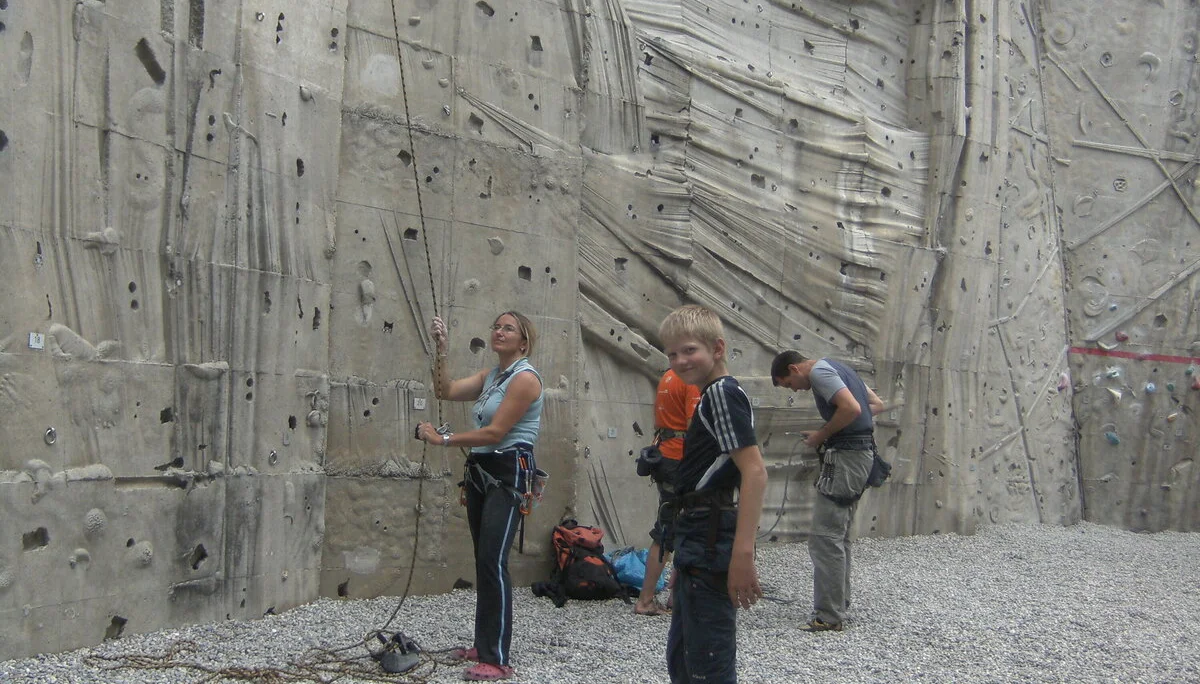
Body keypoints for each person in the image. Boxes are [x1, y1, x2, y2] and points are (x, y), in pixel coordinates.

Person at [416, 311, 543, 682]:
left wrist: (445, 440)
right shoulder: (492, 377)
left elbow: (496, 432)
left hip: (509, 470)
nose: (499, 331)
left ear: (523, 342)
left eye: (508, 328)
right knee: (483, 558)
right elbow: (446, 390)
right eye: (496, 326)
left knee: (492, 559)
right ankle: (483, 643)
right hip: (482, 471)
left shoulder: (525, 379)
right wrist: (441, 350)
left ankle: (497, 656)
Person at [660, 305, 767, 684]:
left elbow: (754, 471)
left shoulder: (722, 393)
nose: (679, 360)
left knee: (707, 664)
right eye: (672, 354)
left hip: (710, 535)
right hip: (697, 534)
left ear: (717, 348)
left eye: (689, 350)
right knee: (685, 659)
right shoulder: (710, 396)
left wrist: (742, 554)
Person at [770, 350, 886, 633]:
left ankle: (828, 616)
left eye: (788, 384)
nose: (794, 390)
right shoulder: (839, 367)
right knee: (840, 534)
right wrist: (840, 427)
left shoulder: (820, 373)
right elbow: (875, 404)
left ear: (795, 369)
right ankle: (838, 604)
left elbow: (851, 409)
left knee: (825, 537)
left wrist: (824, 434)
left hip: (846, 458)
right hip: (860, 456)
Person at [634, 369, 701, 616]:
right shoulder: (691, 381)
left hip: (665, 455)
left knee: (675, 526)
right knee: (670, 530)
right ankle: (646, 600)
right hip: (679, 460)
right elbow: (695, 428)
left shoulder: (670, 375)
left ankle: (674, 596)